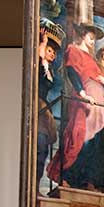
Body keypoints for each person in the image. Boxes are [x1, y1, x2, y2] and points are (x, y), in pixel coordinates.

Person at [46, 23, 104, 189]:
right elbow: (72, 73)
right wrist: (83, 94)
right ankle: (67, 177)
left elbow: (97, 76)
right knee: (79, 136)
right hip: (85, 101)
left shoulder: (92, 59)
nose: (93, 41)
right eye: (91, 37)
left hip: (98, 106)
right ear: (83, 35)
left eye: (94, 39)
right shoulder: (73, 50)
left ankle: (87, 180)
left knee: (95, 139)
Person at [36, 19, 65, 191]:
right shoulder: (39, 63)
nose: (52, 54)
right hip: (37, 105)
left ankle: (37, 185)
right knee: (39, 146)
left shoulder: (49, 70)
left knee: (43, 152)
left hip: (43, 109)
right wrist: (44, 42)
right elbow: (40, 56)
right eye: (49, 50)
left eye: (54, 52)